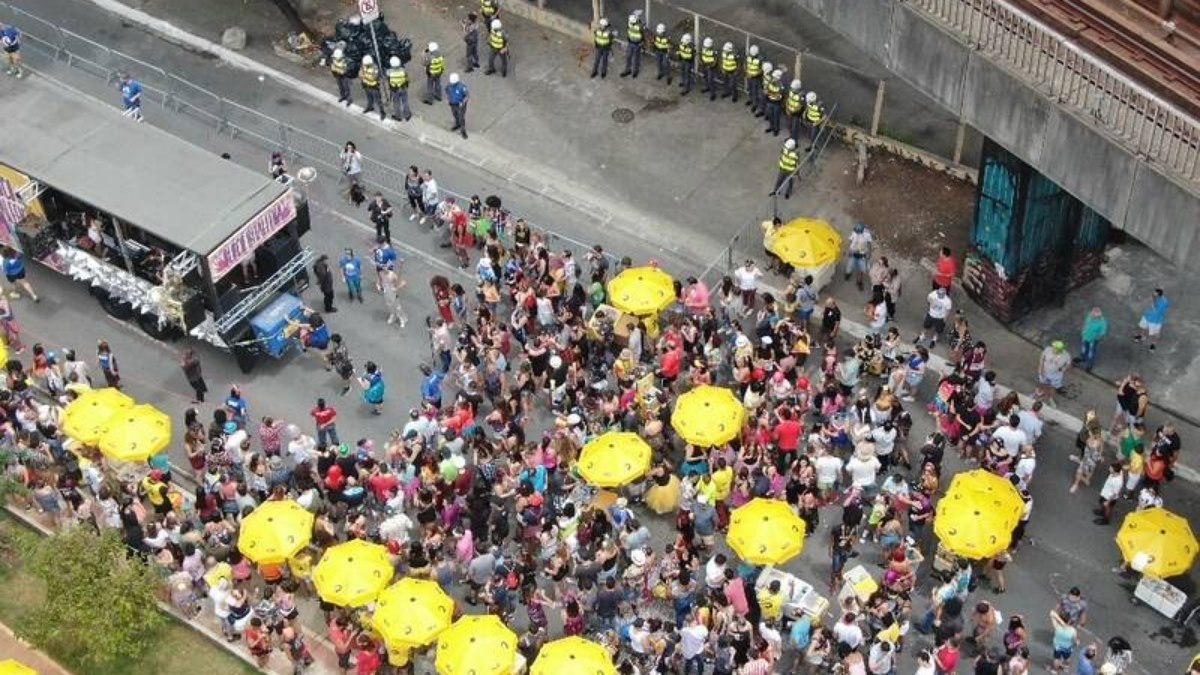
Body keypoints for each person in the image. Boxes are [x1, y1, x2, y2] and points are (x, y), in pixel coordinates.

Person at [1036, 340, 1071, 406]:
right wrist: (1040, 369)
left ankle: (1051, 398)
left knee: (1053, 387)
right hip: (1045, 371)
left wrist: (1063, 369)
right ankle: (1041, 391)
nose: (1053, 348)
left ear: (1059, 350)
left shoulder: (1066, 356)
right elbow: (1042, 359)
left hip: (1056, 375)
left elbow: (1068, 364)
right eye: (1053, 347)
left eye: (1055, 348)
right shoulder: (1048, 350)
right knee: (1042, 382)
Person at [1076, 306, 1108, 372]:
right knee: (1084, 348)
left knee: (1091, 352)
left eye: (1094, 315)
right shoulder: (1089, 316)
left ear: (1099, 316)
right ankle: (1083, 358)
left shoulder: (1102, 322)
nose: (1093, 316)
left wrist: (1097, 338)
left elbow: (1102, 332)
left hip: (1093, 340)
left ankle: (1089, 365)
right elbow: (1086, 324)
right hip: (1085, 337)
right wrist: (1083, 332)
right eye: (1093, 314)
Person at [844, 223, 873, 290]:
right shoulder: (854, 232)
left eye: (857, 231)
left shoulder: (867, 235)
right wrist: (847, 249)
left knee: (861, 270)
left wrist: (870, 253)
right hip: (853, 253)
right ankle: (848, 274)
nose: (856, 232)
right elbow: (850, 240)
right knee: (849, 266)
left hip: (862, 254)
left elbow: (869, 244)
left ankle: (859, 282)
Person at [386, 56, 412, 122]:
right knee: (405, 101)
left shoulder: (389, 72)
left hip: (395, 90)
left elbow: (387, 77)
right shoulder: (403, 70)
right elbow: (407, 78)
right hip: (403, 88)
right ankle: (407, 115)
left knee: (396, 103)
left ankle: (398, 116)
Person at [359, 55, 385, 120]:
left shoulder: (375, 68)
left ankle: (382, 112)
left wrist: (364, 75)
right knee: (369, 98)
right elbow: (360, 74)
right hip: (366, 85)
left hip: (374, 87)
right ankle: (370, 107)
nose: (365, 66)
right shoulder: (363, 66)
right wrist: (362, 75)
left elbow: (375, 77)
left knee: (378, 101)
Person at [621, 12, 644, 78]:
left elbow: (642, 34)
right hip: (630, 43)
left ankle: (635, 71)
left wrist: (642, 42)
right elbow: (629, 31)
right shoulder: (629, 23)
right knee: (628, 57)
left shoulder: (640, 26)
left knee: (636, 58)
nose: (632, 23)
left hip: (637, 44)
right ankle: (627, 70)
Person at [447, 73, 469, 139]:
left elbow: (467, 96)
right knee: (455, 115)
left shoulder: (462, 87)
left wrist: (463, 102)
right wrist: (449, 99)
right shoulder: (449, 86)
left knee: (461, 117)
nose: (452, 84)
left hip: (460, 105)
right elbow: (447, 92)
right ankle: (457, 124)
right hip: (453, 104)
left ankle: (463, 130)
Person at [744, 44, 763, 113]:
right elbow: (745, 64)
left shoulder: (760, 59)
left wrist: (754, 74)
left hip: (756, 78)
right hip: (749, 76)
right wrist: (746, 72)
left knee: (755, 91)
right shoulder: (748, 56)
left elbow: (761, 69)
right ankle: (750, 100)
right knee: (750, 89)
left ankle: (754, 104)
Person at [764, 69, 784, 135]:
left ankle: (776, 129)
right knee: (770, 115)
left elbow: (779, 96)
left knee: (776, 116)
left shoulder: (781, 85)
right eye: (774, 77)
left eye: (775, 77)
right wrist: (769, 93)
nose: (774, 79)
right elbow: (766, 90)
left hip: (776, 103)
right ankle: (771, 126)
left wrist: (769, 93)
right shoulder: (770, 82)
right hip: (770, 101)